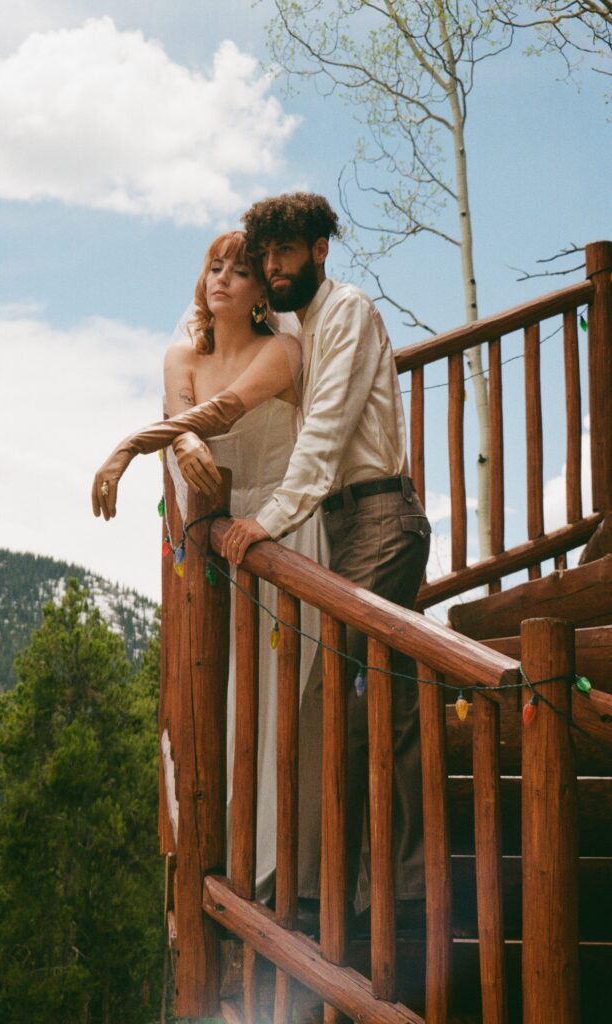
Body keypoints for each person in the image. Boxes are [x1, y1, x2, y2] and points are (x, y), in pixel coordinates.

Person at [92, 230, 329, 902]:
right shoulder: (180, 355)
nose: (221, 278)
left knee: (286, 698)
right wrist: (181, 436)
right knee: (217, 696)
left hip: (283, 534)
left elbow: (223, 410)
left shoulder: (282, 350)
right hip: (214, 544)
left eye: (241, 270)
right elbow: (187, 417)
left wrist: (128, 448)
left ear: (262, 294)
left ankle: (289, 875)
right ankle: (226, 858)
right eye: (213, 266)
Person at [220, 193, 431, 925]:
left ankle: (317, 895)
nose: (272, 266)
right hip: (345, 529)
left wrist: (266, 523)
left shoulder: (346, 311)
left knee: (323, 698)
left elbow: (328, 434)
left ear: (319, 250)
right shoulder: (293, 327)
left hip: (380, 518)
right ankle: (403, 888)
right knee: (394, 708)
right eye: (264, 255)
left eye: (285, 251)